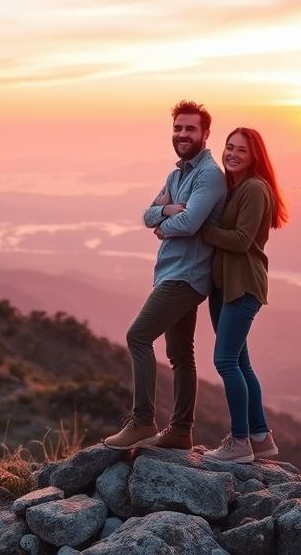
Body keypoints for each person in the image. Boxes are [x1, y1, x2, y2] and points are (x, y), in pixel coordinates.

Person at [103, 100, 226, 451]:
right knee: (180, 354)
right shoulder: (176, 175)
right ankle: (181, 431)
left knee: (137, 336)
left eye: (190, 129)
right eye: (178, 128)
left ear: (205, 133)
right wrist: (168, 210)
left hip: (186, 276)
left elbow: (188, 225)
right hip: (170, 272)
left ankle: (142, 421)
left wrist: (166, 224)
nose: (182, 134)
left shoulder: (209, 175)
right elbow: (147, 214)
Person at [198, 127, 290, 463]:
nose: (233, 154)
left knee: (225, 361)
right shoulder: (236, 187)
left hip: (243, 285)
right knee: (240, 361)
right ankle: (260, 436)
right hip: (225, 285)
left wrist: (199, 228)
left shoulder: (254, 188)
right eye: (229, 147)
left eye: (242, 150)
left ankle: (239, 442)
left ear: (255, 156)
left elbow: (240, 240)